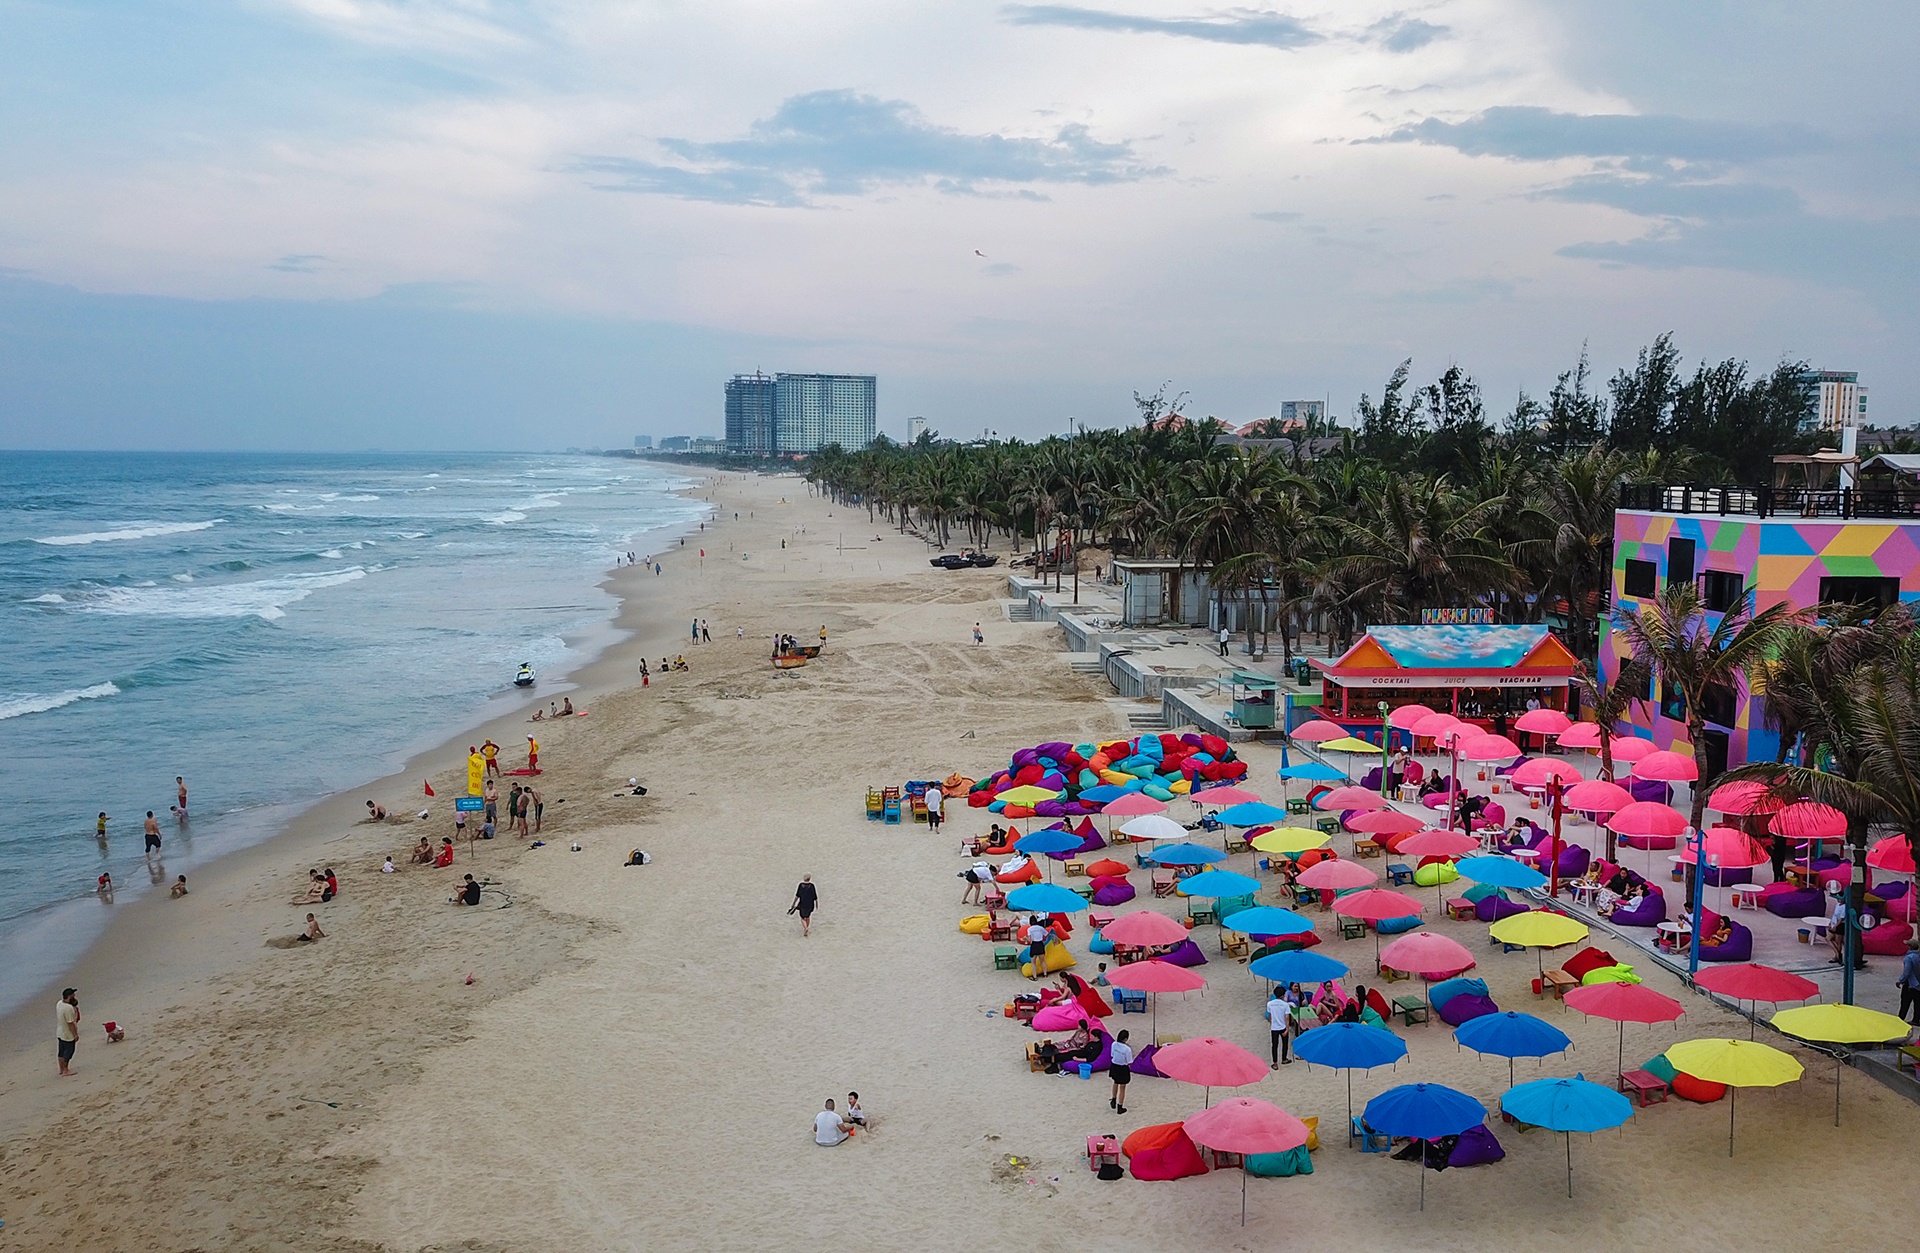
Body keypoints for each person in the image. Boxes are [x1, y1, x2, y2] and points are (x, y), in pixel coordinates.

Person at [1267, 985, 1297, 1068]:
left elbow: (1270, 1016)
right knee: (1285, 1043)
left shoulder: (1270, 1004)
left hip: (1274, 1027)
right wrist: (1287, 1029)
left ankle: (1275, 1062)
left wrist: (1272, 1023)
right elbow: (1287, 1017)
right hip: (1283, 1026)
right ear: (1283, 995)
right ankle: (1284, 1058)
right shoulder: (1285, 1005)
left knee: (1275, 1045)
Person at [1107, 1029, 1134, 1113]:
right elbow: (1129, 1061)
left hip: (1114, 1066)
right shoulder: (1127, 1049)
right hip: (1122, 1068)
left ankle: (1113, 1099)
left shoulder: (1114, 1044)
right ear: (1125, 1039)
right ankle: (1120, 1106)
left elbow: (1112, 1055)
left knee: (1115, 1082)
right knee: (1122, 1087)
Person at [56, 988, 80, 1076]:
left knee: (61, 1051)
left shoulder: (59, 1003)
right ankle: (66, 1070)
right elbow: (70, 1023)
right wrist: (75, 1034)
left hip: (60, 1031)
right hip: (67, 1034)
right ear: (70, 996)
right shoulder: (68, 1008)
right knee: (69, 1051)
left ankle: (61, 1069)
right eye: (73, 995)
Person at [1899, 941, 1920, 1024]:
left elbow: (1907, 972)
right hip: (1918, 984)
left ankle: (1901, 1018)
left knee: (1905, 1002)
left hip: (1910, 983)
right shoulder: (1918, 956)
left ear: (1909, 947)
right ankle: (1916, 1019)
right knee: (1917, 1002)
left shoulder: (1909, 958)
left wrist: (1900, 980)